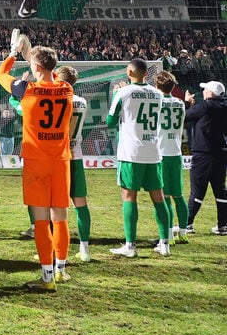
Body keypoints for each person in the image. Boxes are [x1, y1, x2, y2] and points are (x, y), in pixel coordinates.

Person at [0, 40, 74, 290]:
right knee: (60, 218)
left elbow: (0, 75)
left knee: (41, 221)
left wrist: (13, 53)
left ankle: (47, 278)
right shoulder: (66, 89)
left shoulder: (26, 90)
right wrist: (31, 54)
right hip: (61, 162)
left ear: (37, 67)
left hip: (36, 162)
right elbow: (51, 75)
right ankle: (61, 270)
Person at [106, 58, 170, 258]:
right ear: (146, 74)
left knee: (129, 197)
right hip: (153, 152)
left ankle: (130, 246)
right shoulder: (158, 94)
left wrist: (116, 94)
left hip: (131, 153)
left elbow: (110, 121)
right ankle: (165, 244)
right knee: (159, 198)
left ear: (130, 72)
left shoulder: (123, 92)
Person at [54, 65, 93, 262]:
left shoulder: (56, 99)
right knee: (81, 205)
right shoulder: (82, 102)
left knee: (54, 207)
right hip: (76, 155)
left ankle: (54, 251)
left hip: (58, 157)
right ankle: (84, 250)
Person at [184, 80, 227, 234]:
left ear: (211, 92)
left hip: (203, 154)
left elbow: (185, 116)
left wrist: (188, 103)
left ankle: (187, 224)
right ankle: (223, 225)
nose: (203, 92)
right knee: (220, 190)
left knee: (197, 190)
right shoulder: (224, 106)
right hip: (221, 153)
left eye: (205, 89)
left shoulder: (207, 105)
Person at [154, 71, 189, 243]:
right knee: (179, 196)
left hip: (161, 153)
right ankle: (183, 232)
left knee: (164, 197)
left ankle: (168, 235)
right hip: (176, 152)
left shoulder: (156, 102)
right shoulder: (180, 103)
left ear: (157, 86)